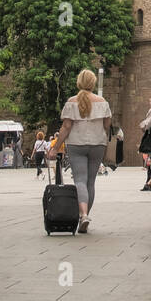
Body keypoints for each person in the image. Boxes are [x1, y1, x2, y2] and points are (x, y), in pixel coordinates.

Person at [55, 68, 113, 233]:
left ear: (79, 82)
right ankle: (85, 216)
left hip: (76, 144)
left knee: (80, 180)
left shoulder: (71, 102)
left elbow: (66, 127)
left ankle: (83, 214)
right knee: (90, 182)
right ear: (93, 83)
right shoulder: (102, 101)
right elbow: (107, 125)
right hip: (97, 145)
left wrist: (56, 146)